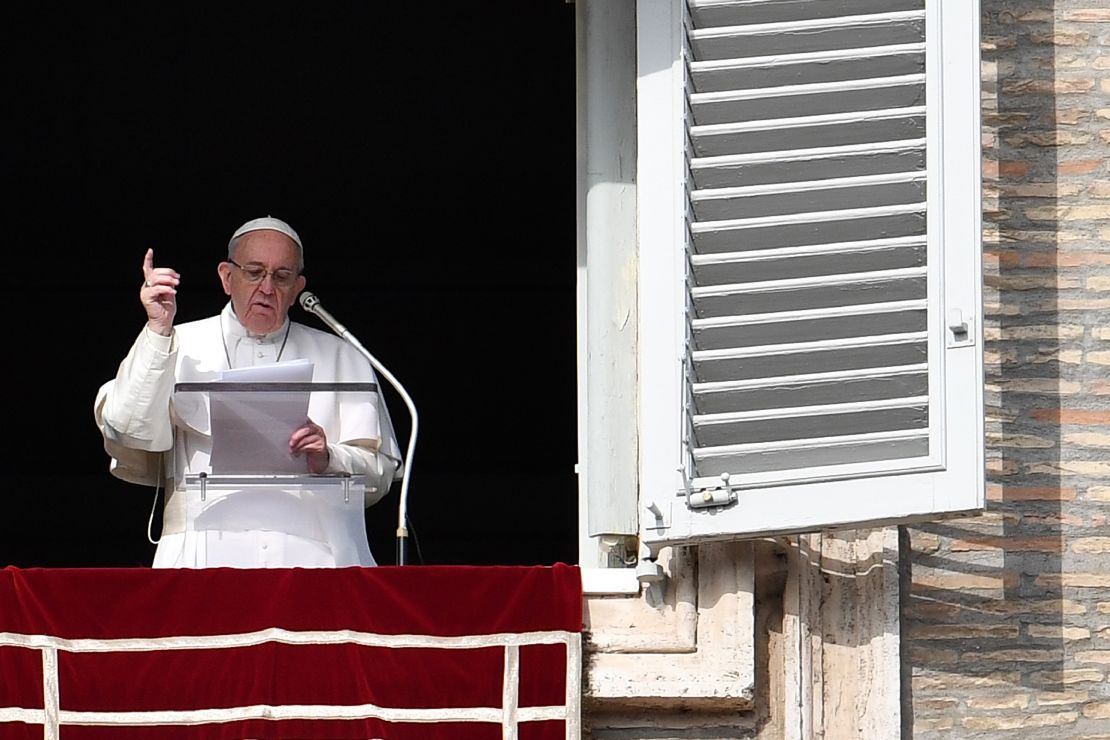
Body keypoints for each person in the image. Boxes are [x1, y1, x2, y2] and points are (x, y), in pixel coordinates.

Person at [94, 216, 403, 568]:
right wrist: (157, 329)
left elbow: (379, 476)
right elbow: (127, 428)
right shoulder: (176, 343)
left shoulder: (340, 354)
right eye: (254, 272)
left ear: (299, 286)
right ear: (227, 277)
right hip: (202, 556)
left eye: (282, 276)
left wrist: (329, 457)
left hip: (315, 560)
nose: (267, 288)